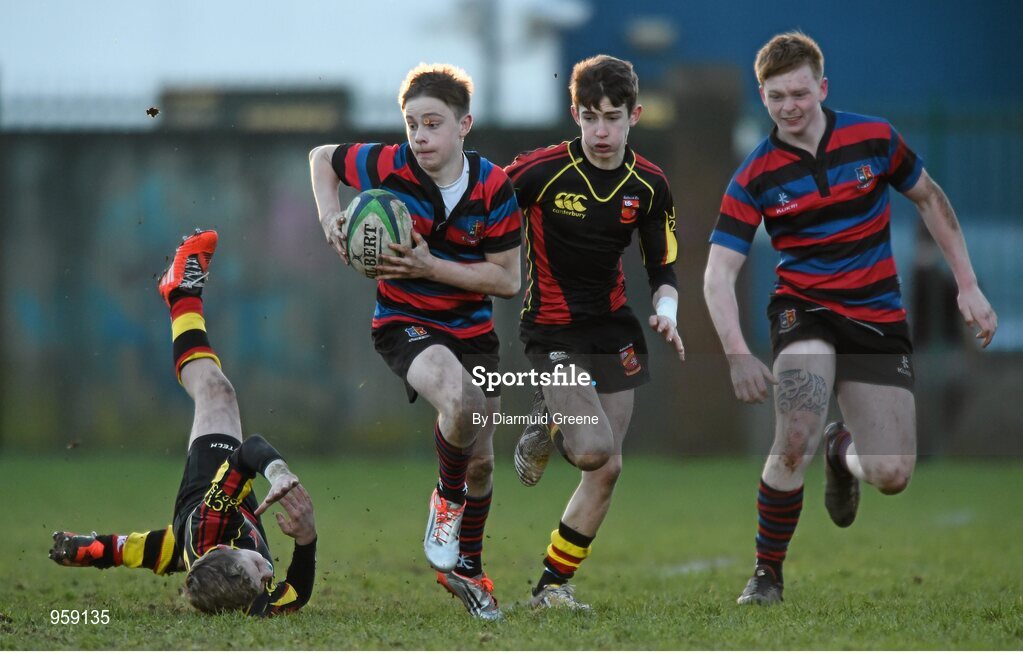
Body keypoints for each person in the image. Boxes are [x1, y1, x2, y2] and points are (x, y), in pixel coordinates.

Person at [703, 31, 998, 605]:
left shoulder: (874, 138)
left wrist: (968, 285)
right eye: (775, 96)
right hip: (803, 309)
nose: (789, 106)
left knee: (891, 474)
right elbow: (718, 273)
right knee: (793, 436)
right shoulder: (755, 174)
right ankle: (766, 575)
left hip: (876, 313)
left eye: (799, 93)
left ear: (823, 87)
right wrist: (738, 351)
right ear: (762, 98)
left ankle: (842, 451)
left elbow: (931, 199)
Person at [308, 63, 521, 620]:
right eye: (412, 124)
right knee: (461, 401)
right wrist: (332, 219)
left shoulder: (493, 186)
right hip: (405, 322)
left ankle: (469, 572)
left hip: (473, 331)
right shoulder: (389, 163)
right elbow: (321, 159)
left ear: (464, 125)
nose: (420, 136)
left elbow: (507, 280)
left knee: (482, 465)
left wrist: (432, 263)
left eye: (433, 123)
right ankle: (444, 502)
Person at [49, 229, 318, 616]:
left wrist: (277, 472)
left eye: (258, 566)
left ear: (226, 547)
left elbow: (248, 452)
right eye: (265, 577)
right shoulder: (251, 596)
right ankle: (100, 549)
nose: (267, 570)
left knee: (217, 392)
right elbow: (296, 594)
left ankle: (181, 293)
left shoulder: (214, 521)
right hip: (190, 542)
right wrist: (307, 539)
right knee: (170, 549)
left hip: (202, 492)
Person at [505, 54, 684, 610]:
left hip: (614, 328)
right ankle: (548, 418)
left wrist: (668, 311)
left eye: (613, 116)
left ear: (636, 114)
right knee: (591, 450)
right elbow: (475, 210)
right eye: (589, 117)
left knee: (609, 468)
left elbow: (664, 268)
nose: (601, 131)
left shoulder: (650, 185)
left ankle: (550, 589)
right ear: (574, 114)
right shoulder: (537, 172)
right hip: (552, 329)